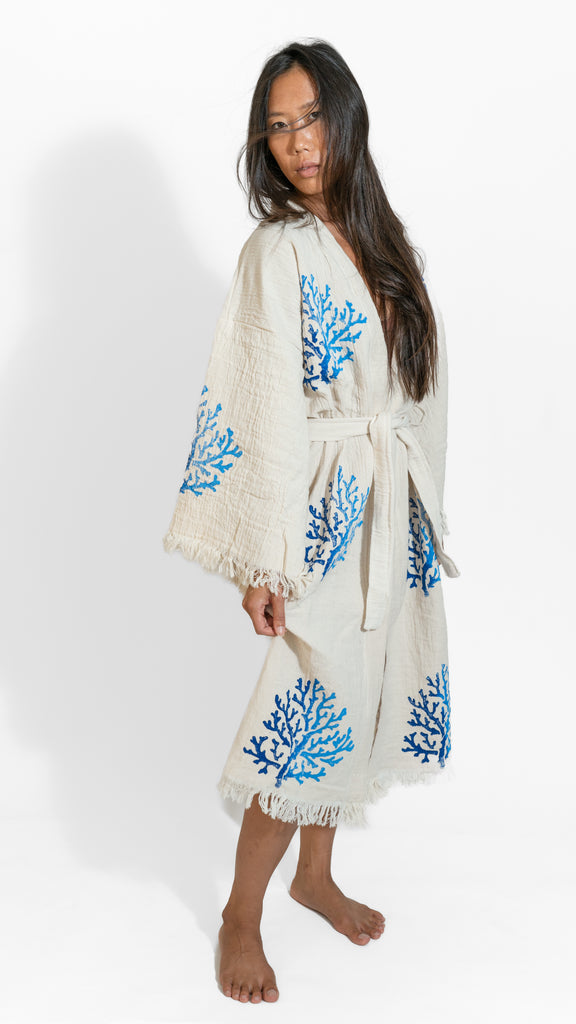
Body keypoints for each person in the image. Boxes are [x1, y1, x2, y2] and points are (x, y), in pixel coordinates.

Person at [163, 39, 459, 1004]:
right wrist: (264, 557)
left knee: (363, 697)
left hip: (388, 509)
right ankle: (240, 911)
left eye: (311, 118)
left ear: (347, 114)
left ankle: (316, 875)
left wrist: (420, 513)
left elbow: (423, 382)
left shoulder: (384, 238)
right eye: (278, 128)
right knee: (306, 715)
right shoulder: (276, 251)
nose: (298, 143)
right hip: (319, 515)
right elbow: (257, 405)